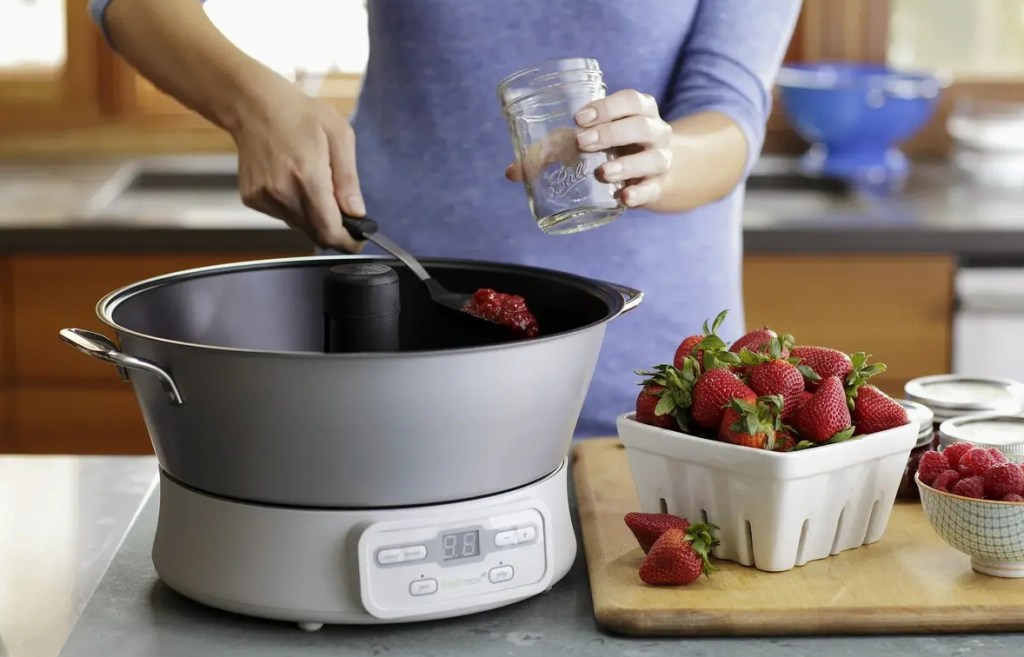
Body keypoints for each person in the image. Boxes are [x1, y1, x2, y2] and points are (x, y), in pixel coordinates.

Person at [89, 0, 802, 437]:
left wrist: (662, 155)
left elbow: (730, 113)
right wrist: (249, 101)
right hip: (392, 355)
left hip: (650, 393)